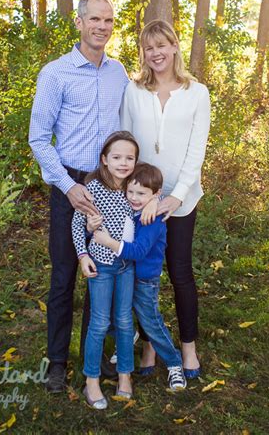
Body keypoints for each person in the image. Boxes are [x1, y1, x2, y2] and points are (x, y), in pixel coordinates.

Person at [28, 0, 129, 393]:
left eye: (108, 21)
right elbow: (38, 138)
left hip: (108, 187)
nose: (102, 27)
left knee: (102, 271)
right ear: (79, 22)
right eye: (95, 20)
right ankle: (56, 362)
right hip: (69, 184)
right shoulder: (55, 73)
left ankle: (94, 356)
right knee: (65, 275)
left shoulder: (118, 72)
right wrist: (68, 187)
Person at [120, 19, 211, 378]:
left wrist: (174, 197)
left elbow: (196, 152)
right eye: (148, 47)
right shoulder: (134, 90)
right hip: (140, 202)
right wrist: (140, 197)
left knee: (179, 272)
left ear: (174, 47)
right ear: (143, 52)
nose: (156, 53)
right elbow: (126, 141)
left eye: (162, 45)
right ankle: (149, 347)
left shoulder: (196, 93)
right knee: (143, 274)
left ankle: (188, 349)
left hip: (181, 200)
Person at [92, 162, 187, 391]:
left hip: (144, 279)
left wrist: (108, 242)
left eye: (141, 194)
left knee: (151, 323)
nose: (134, 197)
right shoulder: (129, 208)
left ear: (155, 195)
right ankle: (129, 334)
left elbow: (138, 251)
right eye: (131, 191)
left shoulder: (152, 219)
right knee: (113, 315)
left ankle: (174, 364)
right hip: (124, 273)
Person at [72, 131, 139, 409]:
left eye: (130, 157)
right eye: (117, 157)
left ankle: (125, 375)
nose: (123, 163)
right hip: (100, 264)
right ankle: (91, 380)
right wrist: (82, 254)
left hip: (127, 266)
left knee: (124, 321)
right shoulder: (94, 188)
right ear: (104, 159)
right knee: (99, 323)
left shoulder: (135, 187)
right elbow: (78, 224)